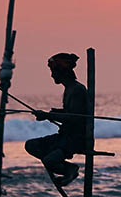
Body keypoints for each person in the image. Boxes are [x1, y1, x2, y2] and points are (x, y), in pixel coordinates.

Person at [26, 53, 87, 187]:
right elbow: (70, 112)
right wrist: (54, 113)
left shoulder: (77, 90)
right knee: (31, 145)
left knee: (49, 161)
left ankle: (69, 169)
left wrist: (48, 116)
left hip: (75, 139)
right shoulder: (69, 89)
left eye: (53, 72)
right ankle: (63, 165)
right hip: (64, 136)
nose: (52, 76)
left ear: (62, 72)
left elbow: (74, 118)